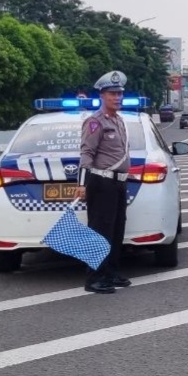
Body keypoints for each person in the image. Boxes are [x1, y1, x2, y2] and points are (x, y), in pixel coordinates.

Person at [75, 71, 132, 294]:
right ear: (102, 95)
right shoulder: (94, 123)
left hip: (118, 183)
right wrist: (82, 184)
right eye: (112, 93)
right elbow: (86, 153)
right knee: (99, 232)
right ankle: (94, 277)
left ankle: (111, 272)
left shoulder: (118, 120)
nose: (117, 98)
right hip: (101, 183)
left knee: (117, 230)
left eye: (119, 93)